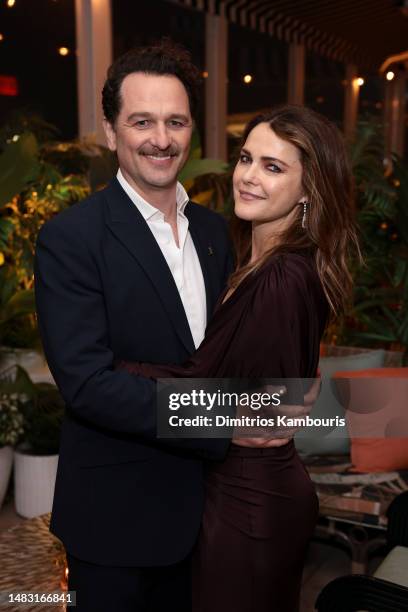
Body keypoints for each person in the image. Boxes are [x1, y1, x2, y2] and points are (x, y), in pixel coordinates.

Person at [117, 104, 360, 612]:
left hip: (251, 499)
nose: (248, 177)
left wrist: (112, 372)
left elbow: (207, 398)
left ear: (310, 188)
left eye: (273, 167)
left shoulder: (282, 277)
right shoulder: (251, 261)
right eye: (247, 158)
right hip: (240, 487)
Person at [34, 41, 235, 612]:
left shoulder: (216, 233)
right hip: (116, 519)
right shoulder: (72, 238)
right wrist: (221, 417)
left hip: (210, 510)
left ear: (193, 128)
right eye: (141, 121)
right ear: (110, 130)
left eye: (175, 121)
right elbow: (88, 383)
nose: (161, 139)